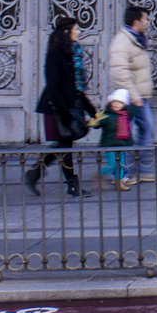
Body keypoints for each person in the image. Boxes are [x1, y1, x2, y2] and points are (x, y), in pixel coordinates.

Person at [27, 16, 91, 197]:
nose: (79, 32)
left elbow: (76, 88)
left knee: (63, 145)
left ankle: (35, 173)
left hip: (68, 107)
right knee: (64, 145)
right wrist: (64, 112)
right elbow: (53, 84)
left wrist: (91, 110)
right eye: (76, 29)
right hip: (56, 107)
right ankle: (72, 185)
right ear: (66, 32)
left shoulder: (73, 52)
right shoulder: (56, 53)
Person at [108, 6, 156, 180]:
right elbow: (120, 73)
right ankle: (121, 174)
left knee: (146, 128)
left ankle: (141, 169)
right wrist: (135, 98)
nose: (148, 22)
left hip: (139, 97)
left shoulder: (137, 40)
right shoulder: (123, 42)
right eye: (146, 19)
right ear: (137, 22)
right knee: (123, 135)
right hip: (128, 100)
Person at [90, 88, 137, 189]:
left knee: (121, 165)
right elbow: (96, 123)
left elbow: (135, 108)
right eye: (114, 101)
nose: (116, 104)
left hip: (123, 144)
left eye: (119, 102)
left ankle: (119, 183)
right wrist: (92, 122)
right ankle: (99, 175)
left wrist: (136, 99)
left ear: (124, 105)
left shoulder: (126, 114)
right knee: (112, 164)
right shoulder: (106, 114)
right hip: (110, 144)